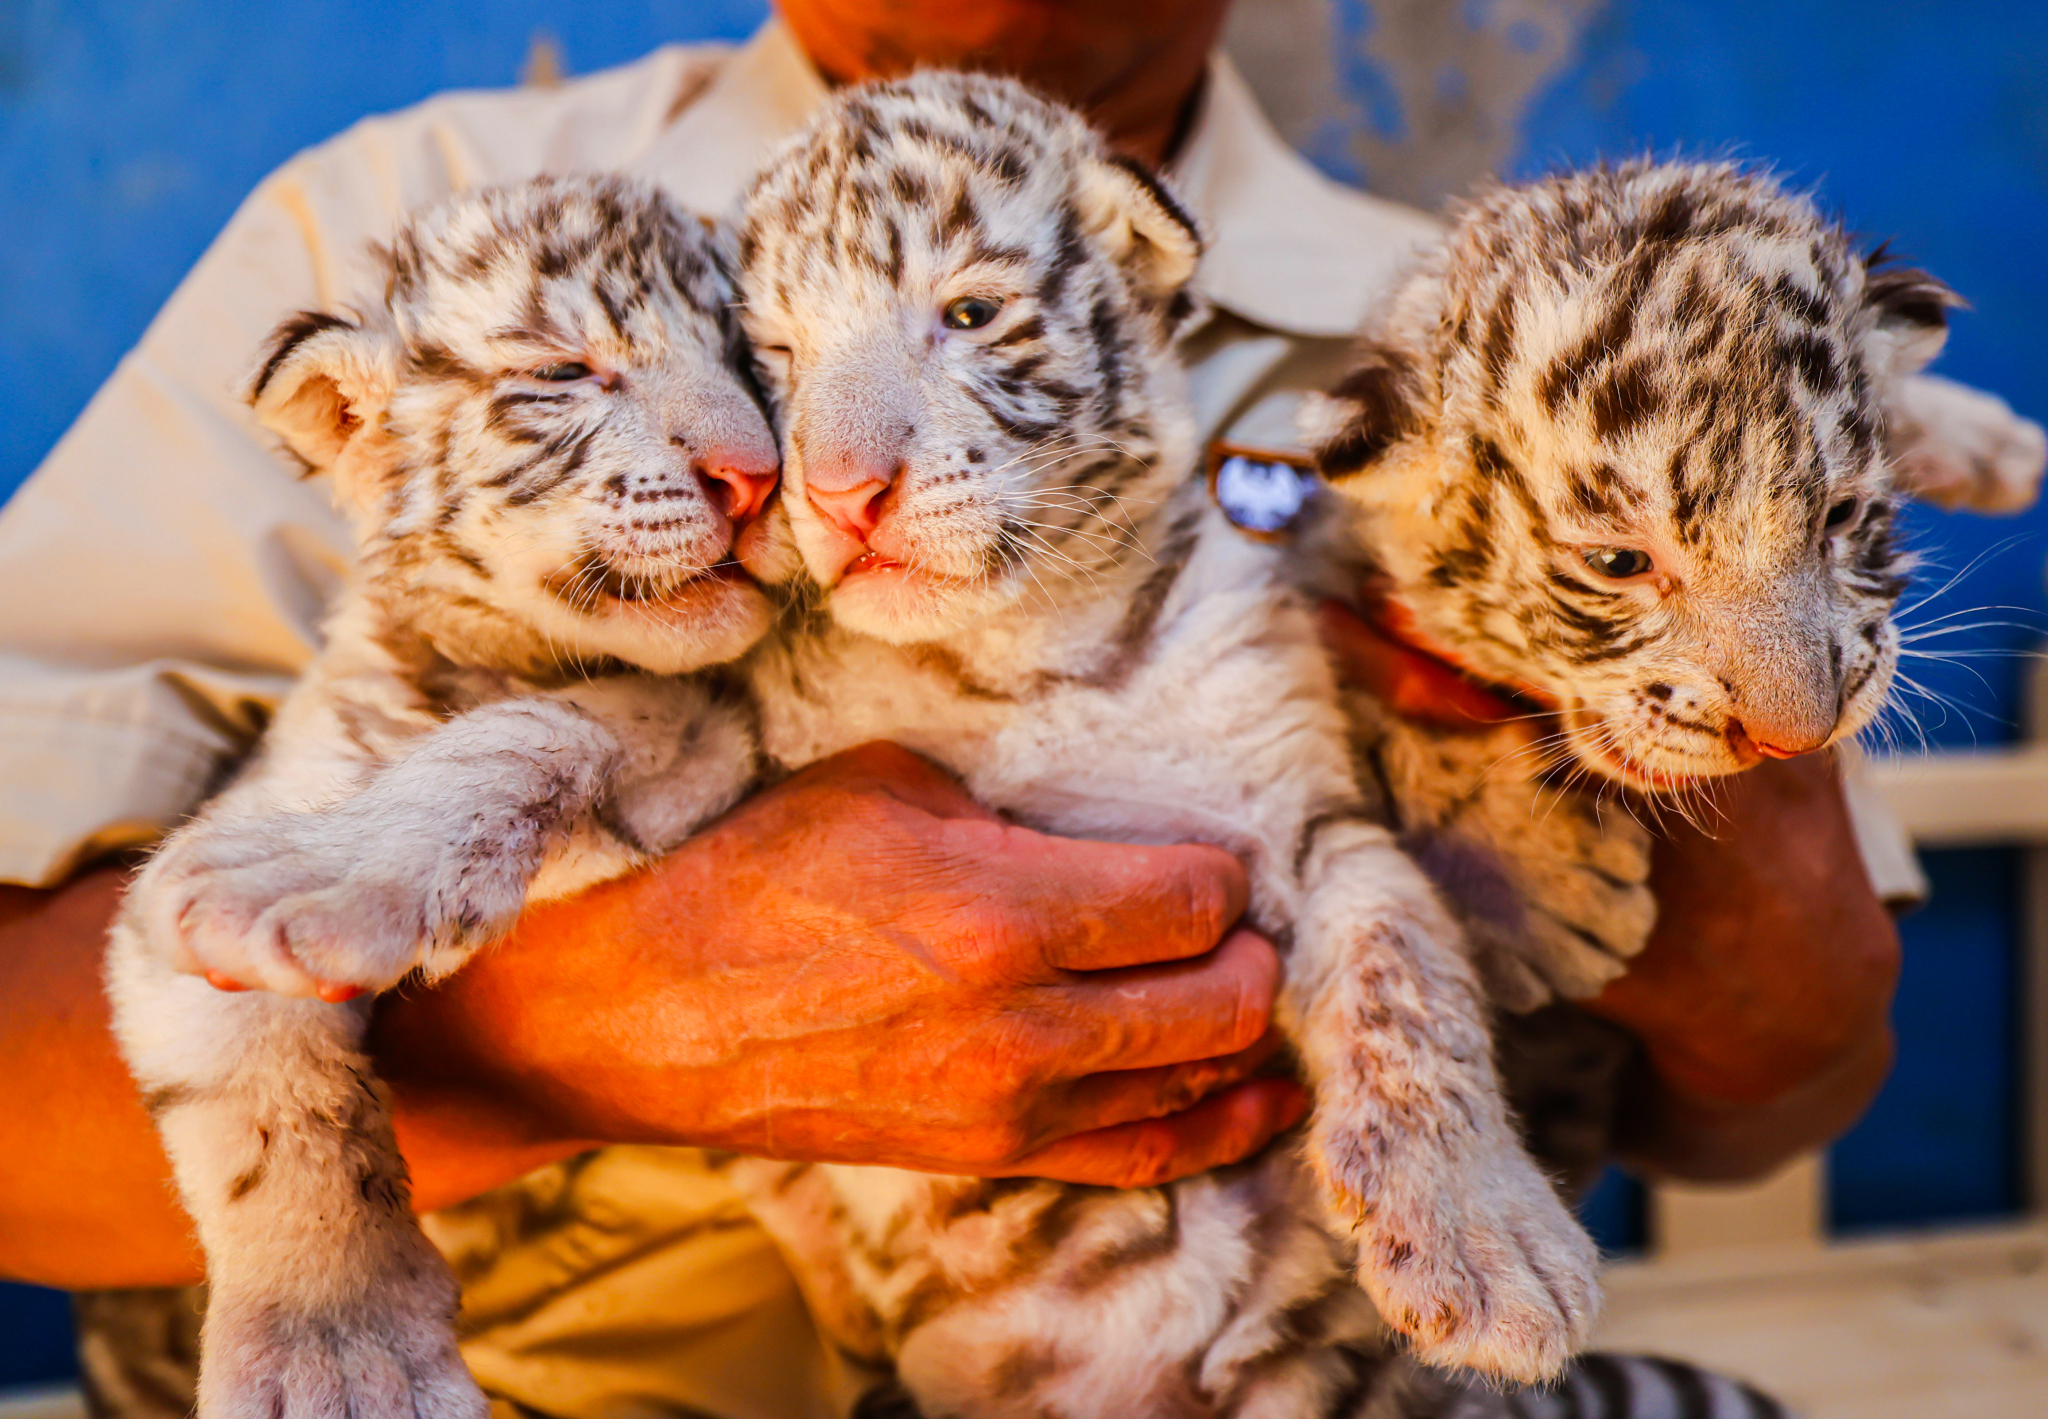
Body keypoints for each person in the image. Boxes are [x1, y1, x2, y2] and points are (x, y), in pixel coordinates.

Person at [0, 2, 1915, 1415]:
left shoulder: (1516, 321)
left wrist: (1718, 744)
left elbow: (1775, 1096)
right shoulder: (416, 238)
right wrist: (599, 1025)